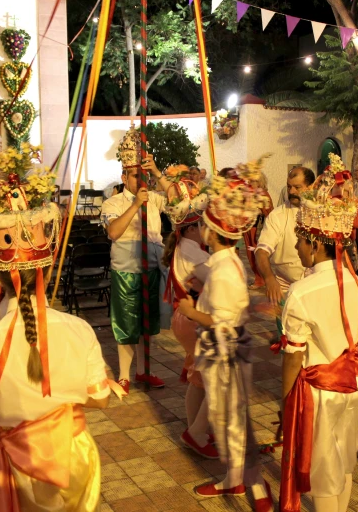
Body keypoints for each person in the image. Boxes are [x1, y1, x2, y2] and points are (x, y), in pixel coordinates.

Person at [0, 150, 109, 512]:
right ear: (45, 270)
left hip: (16, 464)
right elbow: (101, 398)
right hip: (74, 458)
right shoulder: (80, 329)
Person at [277, 160, 358, 512]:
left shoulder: (303, 291)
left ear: (315, 245)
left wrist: (286, 402)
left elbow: (293, 357)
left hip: (320, 391)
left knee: (321, 473)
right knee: (343, 462)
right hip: (355, 383)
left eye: (300, 241)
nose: (298, 248)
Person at [176, 158, 272, 510]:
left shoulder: (225, 271)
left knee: (233, 421)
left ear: (213, 234)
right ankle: (234, 479)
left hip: (226, 351)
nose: (201, 229)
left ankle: (245, 484)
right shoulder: (224, 264)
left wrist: (190, 311)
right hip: (228, 349)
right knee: (228, 417)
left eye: (203, 225)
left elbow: (221, 321)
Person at [101, 126, 172, 392]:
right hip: (126, 271)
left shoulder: (154, 199)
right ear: (124, 176)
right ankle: (124, 375)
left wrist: (157, 172)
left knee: (147, 323)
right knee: (126, 325)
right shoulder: (114, 203)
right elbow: (114, 231)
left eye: (144, 176)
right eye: (135, 176)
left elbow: (178, 201)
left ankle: (143, 371)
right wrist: (134, 205)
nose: (141, 181)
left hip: (151, 269)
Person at [160, 171, 216, 458]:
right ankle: (196, 432)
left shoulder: (185, 246)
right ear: (193, 228)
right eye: (204, 225)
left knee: (198, 376)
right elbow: (214, 281)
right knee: (212, 378)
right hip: (192, 317)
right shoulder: (193, 250)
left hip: (184, 318)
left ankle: (197, 428)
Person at [256, 166, 314, 333]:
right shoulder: (278, 215)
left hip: (314, 286)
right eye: (289, 187)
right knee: (289, 341)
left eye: (297, 187)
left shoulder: (322, 212)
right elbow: (261, 251)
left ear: (310, 187)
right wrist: (269, 278)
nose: (292, 191)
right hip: (284, 286)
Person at [243, 172, 273, 288]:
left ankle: (261, 279)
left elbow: (269, 212)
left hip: (256, 229)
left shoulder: (263, 194)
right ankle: (258, 278)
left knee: (257, 254)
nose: (249, 183)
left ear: (259, 182)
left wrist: (258, 212)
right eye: (249, 181)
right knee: (250, 255)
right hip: (248, 228)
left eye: (252, 181)